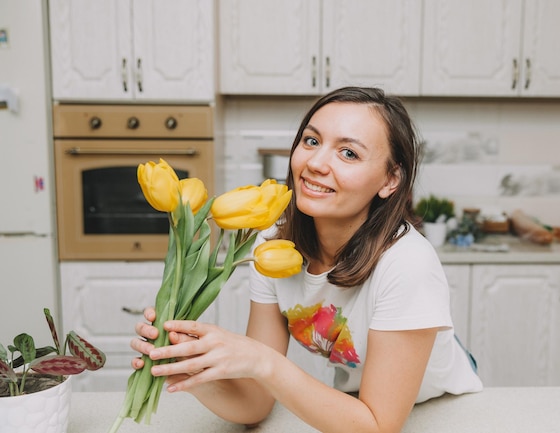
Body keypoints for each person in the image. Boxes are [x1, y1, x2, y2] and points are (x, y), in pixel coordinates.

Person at [131, 86, 483, 432]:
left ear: (391, 180)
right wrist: (193, 367)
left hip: (444, 409)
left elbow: (378, 427)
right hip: (363, 405)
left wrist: (263, 362)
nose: (315, 163)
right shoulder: (272, 248)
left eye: (348, 153)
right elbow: (254, 403)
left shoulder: (407, 264)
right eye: (311, 141)